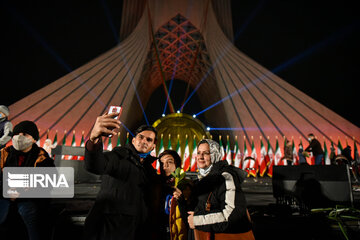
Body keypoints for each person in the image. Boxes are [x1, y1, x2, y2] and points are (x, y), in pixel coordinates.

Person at [83, 111, 161, 240]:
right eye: (141, 137)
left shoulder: (149, 170)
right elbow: (95, 165)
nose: (144, 141)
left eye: (149, 139)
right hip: (111, 230)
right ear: (134, 139)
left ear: (153, 146)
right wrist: (94, 139)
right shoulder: (119, 156)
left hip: (137, 231)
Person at [175, 139, 254, 240]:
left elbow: (232, 216)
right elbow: (191, 217)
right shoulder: (202, 180)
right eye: (198, 153)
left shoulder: (225, 177)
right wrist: (181, 200)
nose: (200, 157)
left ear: (215, 154)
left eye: (206, 153)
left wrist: (197, 220)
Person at [0, 120, 55, 240]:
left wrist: (21, 193)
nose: (19, 137)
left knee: (29, 213)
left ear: (34, 139)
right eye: (17, 133)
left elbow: (47, 182)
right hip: (4, 195)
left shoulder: (42, 157)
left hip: (29, 198)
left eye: (25, 134)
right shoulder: (4, 154)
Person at [157, 149, 183, 240]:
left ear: (177, 164)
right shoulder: (156, 186)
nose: (165, 166)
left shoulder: (185, 185)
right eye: (162, 163)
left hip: (178, 233)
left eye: (170, 162)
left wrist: (182, 200)